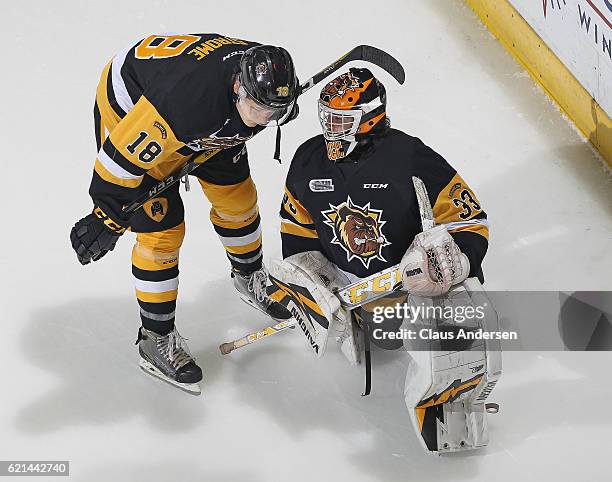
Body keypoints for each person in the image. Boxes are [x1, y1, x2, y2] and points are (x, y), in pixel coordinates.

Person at [269, 68, 498, 452]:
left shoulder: (409, 157)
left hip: (414, 285)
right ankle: (362, 323)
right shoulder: (307, 160)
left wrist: (456, 261)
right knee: (378, 342)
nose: (330, 128)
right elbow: (297, 227)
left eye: (340, 119)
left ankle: (448, 410)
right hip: (350, 294)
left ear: (369, 118)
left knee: (461, 324)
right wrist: (310, 283)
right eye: (326, 116)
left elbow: (469, 217)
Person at [69, 33, 299, 394]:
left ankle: (249, 274)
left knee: (238, 198)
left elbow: (262, 107)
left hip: (206, 113)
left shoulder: (261, 78)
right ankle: (154, 338)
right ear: (238, 86)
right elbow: (117, 161)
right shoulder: (183, 104)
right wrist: (108, 217)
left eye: (273, 113)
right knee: (163, 231)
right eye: (258, 109)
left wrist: (267, 108)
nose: (262, 121)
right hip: (133, 105)